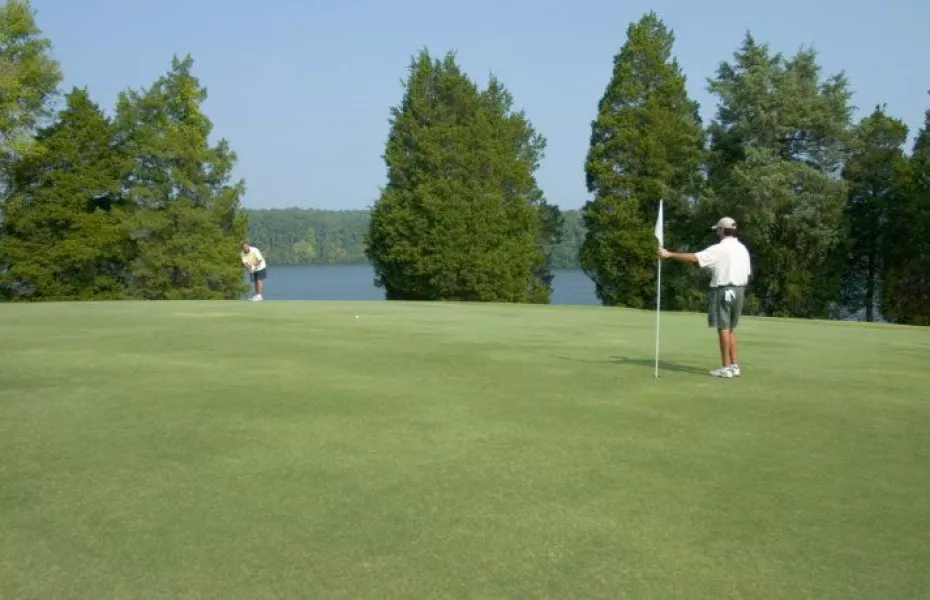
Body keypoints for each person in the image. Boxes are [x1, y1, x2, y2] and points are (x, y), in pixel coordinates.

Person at [658, 216, 751, 378]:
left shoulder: (720, 248)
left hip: (723, 290)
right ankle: (734, 366)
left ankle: (726, 368)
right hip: (740, 291)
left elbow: (695, 258)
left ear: (722, 230)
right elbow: (745, 271)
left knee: (723, 328)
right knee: (730, 329)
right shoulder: (742, 248)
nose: (717, 232)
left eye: (718, 230)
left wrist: (669, 254)